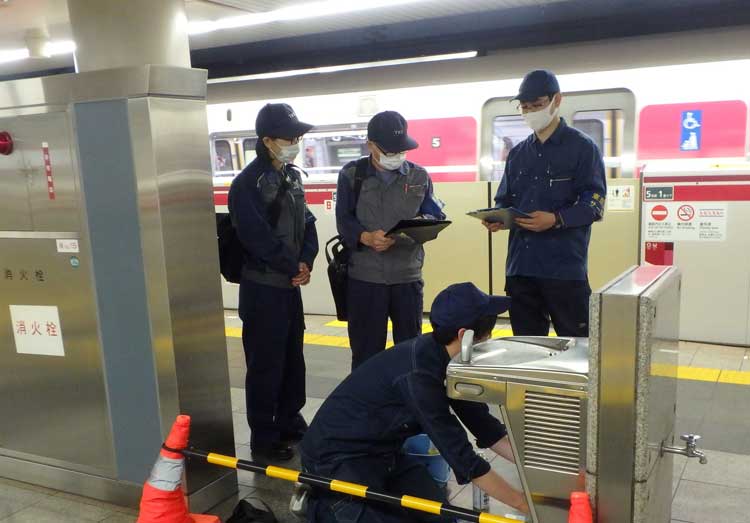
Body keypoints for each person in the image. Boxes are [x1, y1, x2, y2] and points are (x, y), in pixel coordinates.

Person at [300, 282, 529, 523]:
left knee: (442, 519)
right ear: (465, 336)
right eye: (487, 335)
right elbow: (462, 457)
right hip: (336, 461)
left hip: (384, 455)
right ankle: (322, 503)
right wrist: (523, 503)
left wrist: (549, 470)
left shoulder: (448, 360)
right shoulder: (419, 376)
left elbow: (486, 428)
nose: (491, 340)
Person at [228, 103, 319, 462]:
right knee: (266, 364)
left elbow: (308, 223)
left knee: (292, 359)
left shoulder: (292, 177)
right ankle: (264, 437)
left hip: (288, 286)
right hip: (263, 288)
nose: (294, 142)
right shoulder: (247, 183)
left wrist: (306, 260)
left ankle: (289, 420)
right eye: (288, 137)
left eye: (297, 137)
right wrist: (289, 265)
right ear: (266, 140)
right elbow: (255, 237)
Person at [484, 70, 606, 337]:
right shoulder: (517, 154)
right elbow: (504, 200)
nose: (530, 112)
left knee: (576, 349)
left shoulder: (583, 148)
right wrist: (497, 218)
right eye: (525, 108)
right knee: (527, 349)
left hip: (564, 270)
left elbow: (594, 205)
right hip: (521, 269)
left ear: (556, 100)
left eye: (537, 105)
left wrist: (555, 219)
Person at [335, 111, 445, 369]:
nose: (397, 155)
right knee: (366, 353)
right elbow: (343, 219)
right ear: (371, 145)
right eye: (390, 150)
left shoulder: (419, 176)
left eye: (401, 150)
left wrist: (404, 234)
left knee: (410, 353)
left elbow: (433, 215)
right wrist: (365, 237)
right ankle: (368, 406)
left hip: (407, 279)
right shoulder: (352, 175)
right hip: (365, 279)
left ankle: (407, 405)